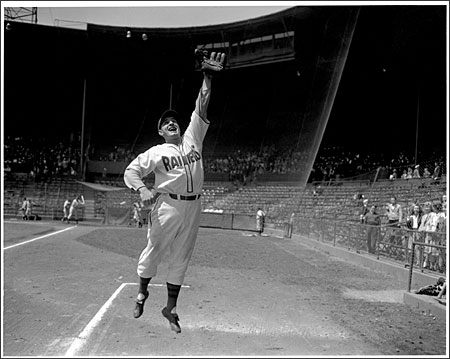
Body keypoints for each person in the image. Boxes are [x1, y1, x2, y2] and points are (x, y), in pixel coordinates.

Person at [123, 52, 225, 334]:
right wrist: (142, 188)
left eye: (174, 120)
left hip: (194, 207)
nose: (172, 122)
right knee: (154, 249)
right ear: (160, 131)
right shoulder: (156, 152)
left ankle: (171, 308)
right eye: (166, 122)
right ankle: (142, 293)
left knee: (182, 255)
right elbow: (130, 171)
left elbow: (201, 109)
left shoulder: (193, 138)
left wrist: (207, 78)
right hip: (167, 206)